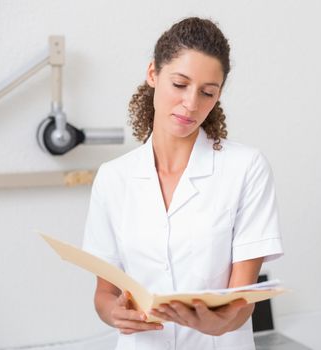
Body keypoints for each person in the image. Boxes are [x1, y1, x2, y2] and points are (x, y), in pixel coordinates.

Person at [83, 17, 283, 350]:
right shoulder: (113, 178)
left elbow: (242, 304)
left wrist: (218, 323)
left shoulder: (246, 168)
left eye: (207, 92)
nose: (191, 104)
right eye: (179, 84)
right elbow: (105, 294)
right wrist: (115, 314)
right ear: (153, 74)